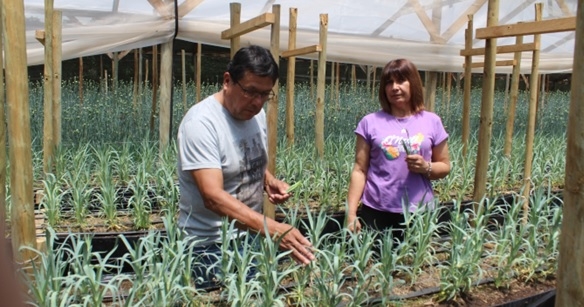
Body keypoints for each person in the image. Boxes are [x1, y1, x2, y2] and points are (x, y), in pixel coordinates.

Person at [176, 45, 315, 287]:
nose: (257, 102)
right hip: (209, 246)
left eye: (265, 94)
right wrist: (272, 228)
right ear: (227, 81)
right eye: (250, 91)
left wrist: (268, 180)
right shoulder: (201, 123)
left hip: (250, 234)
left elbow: (244, 158)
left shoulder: (255, 114)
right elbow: (212, 196)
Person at [346, 58, 451, 246]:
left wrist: (425, 167)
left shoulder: (431, 121)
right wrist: (351, 213)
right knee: (377, 268)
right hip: (377, 210)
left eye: (401, 80)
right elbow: (360, 170)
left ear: (414, 84)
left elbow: (444, 166)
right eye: (389, 82)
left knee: (414, 268)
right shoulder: (370, 122)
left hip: (419, 211)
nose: (394, 87)